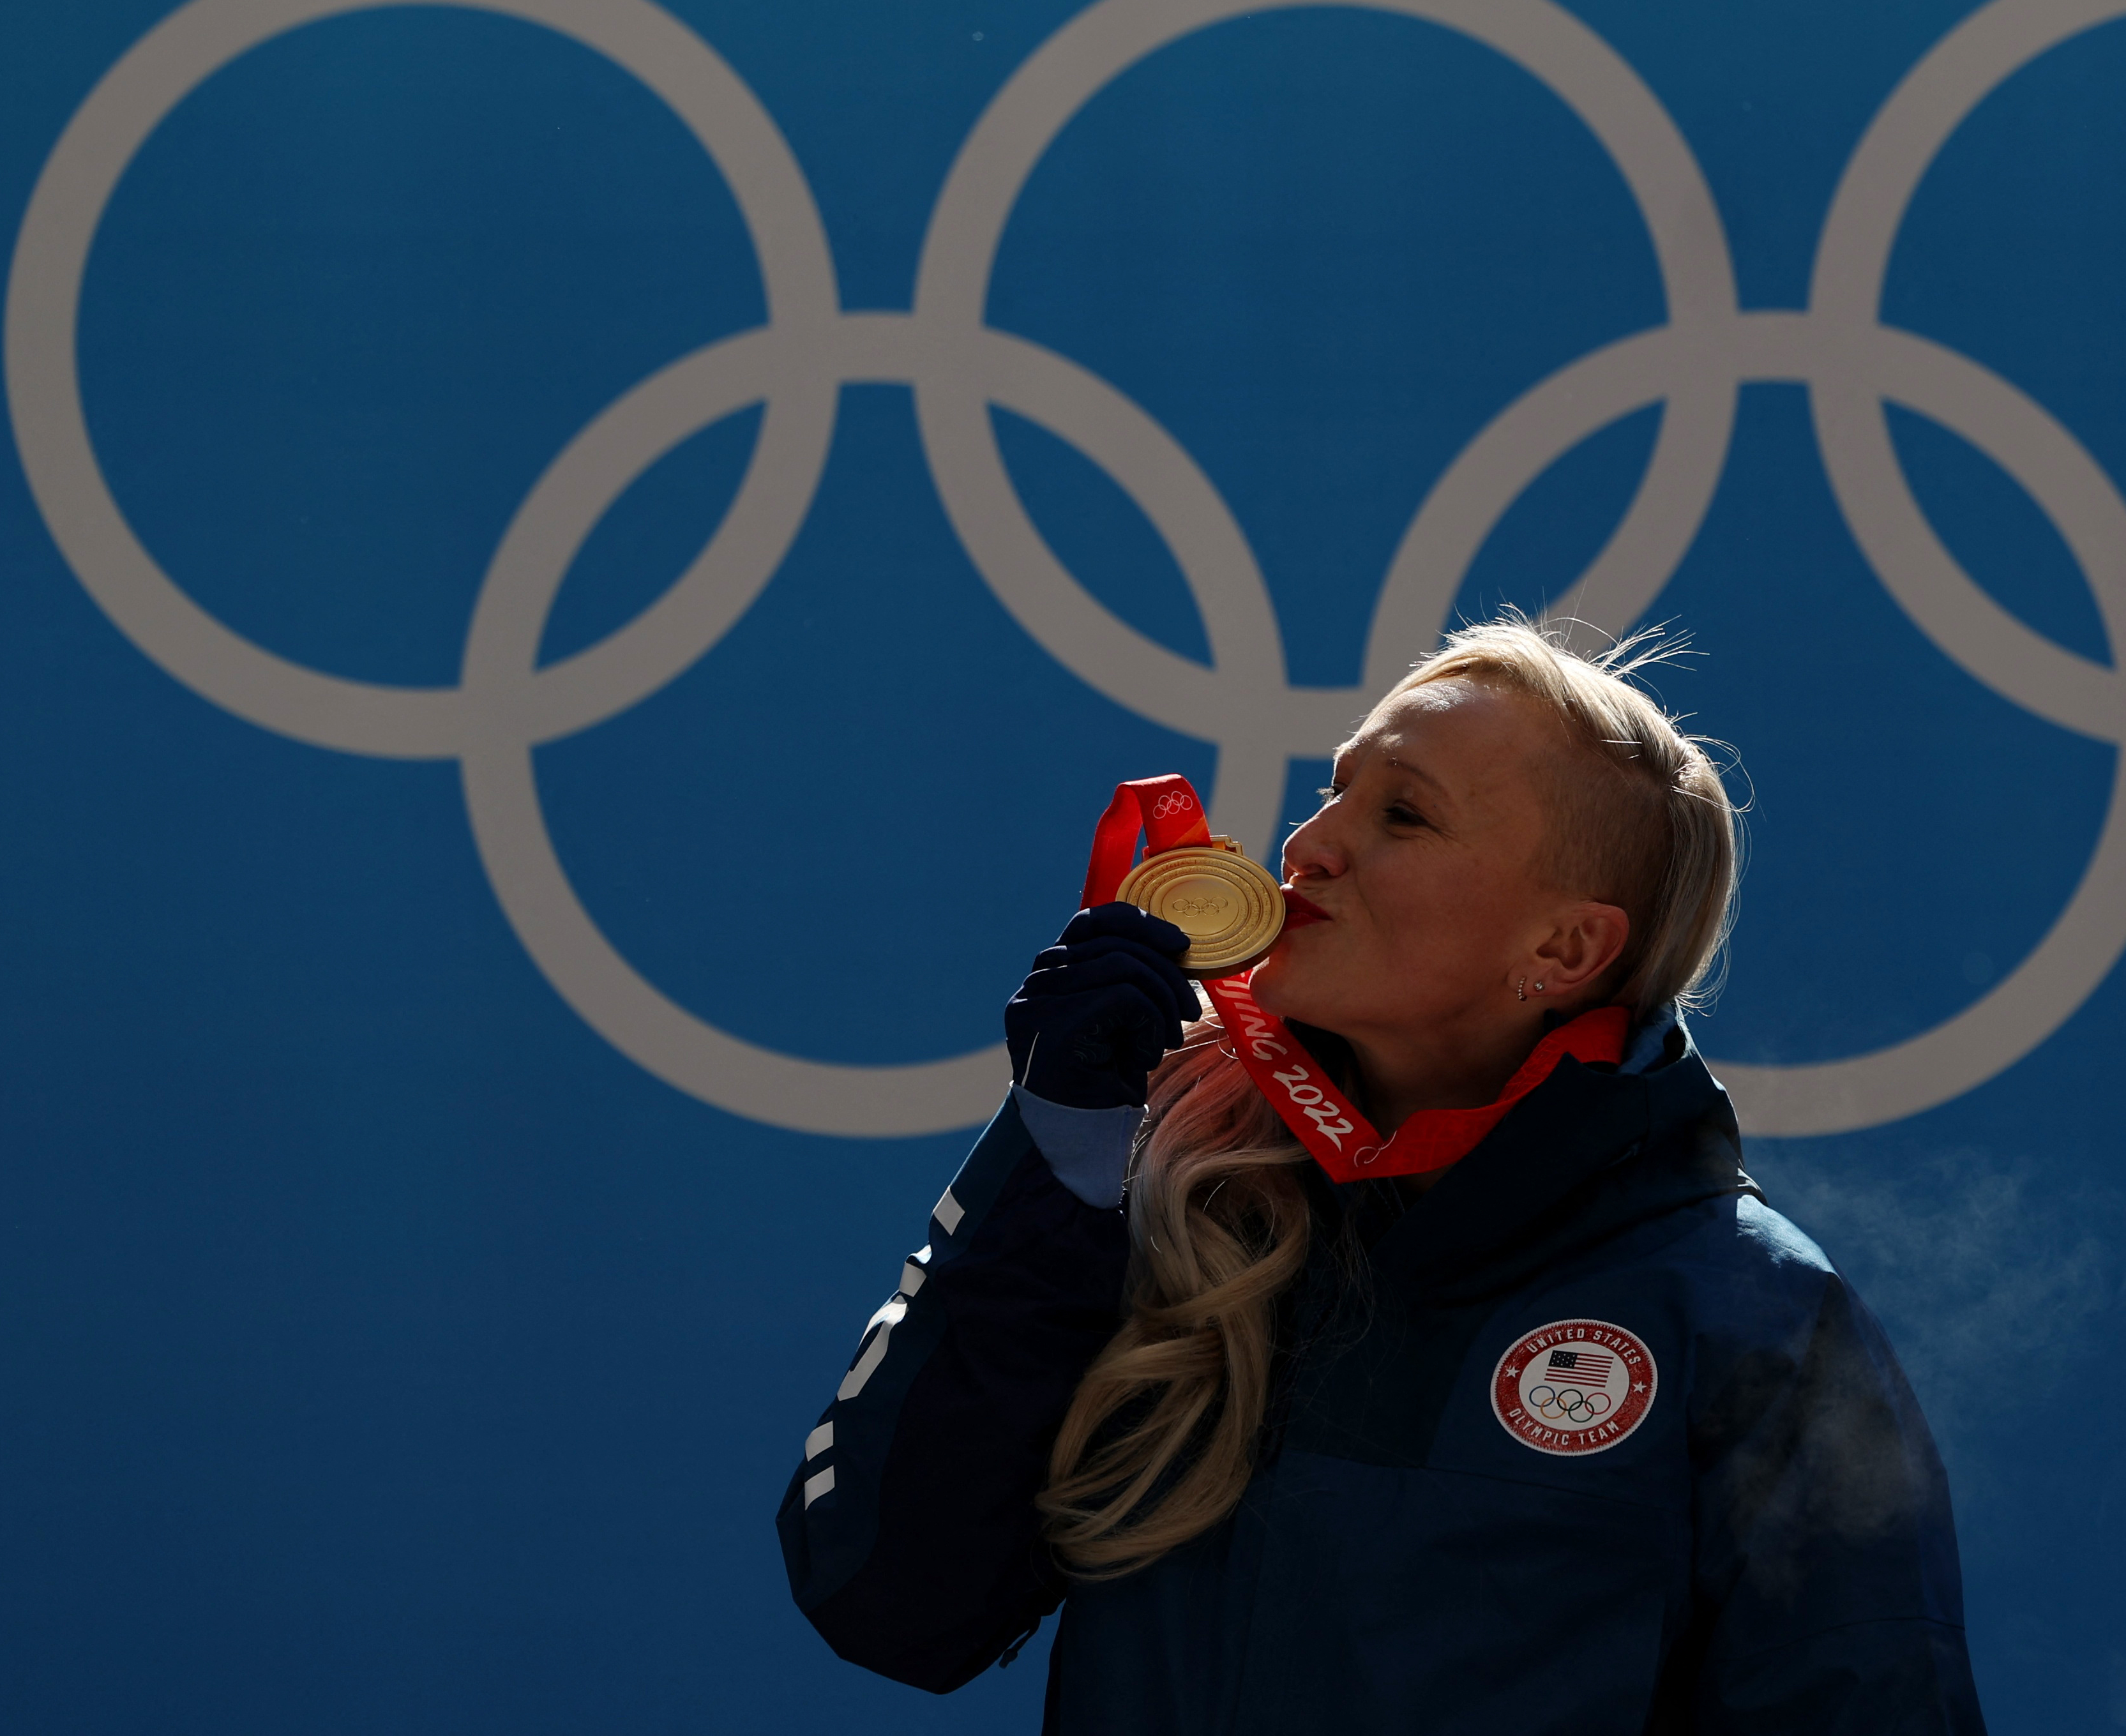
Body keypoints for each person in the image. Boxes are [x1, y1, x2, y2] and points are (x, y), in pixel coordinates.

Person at [778, 619, 1986, 1733]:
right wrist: (1056, 1169)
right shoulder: (1167, 1183)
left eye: (1404, 816)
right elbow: (886, 1602)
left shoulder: (1746, 1315)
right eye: (1335, 786)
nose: (1311, 844)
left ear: (1562, 947)